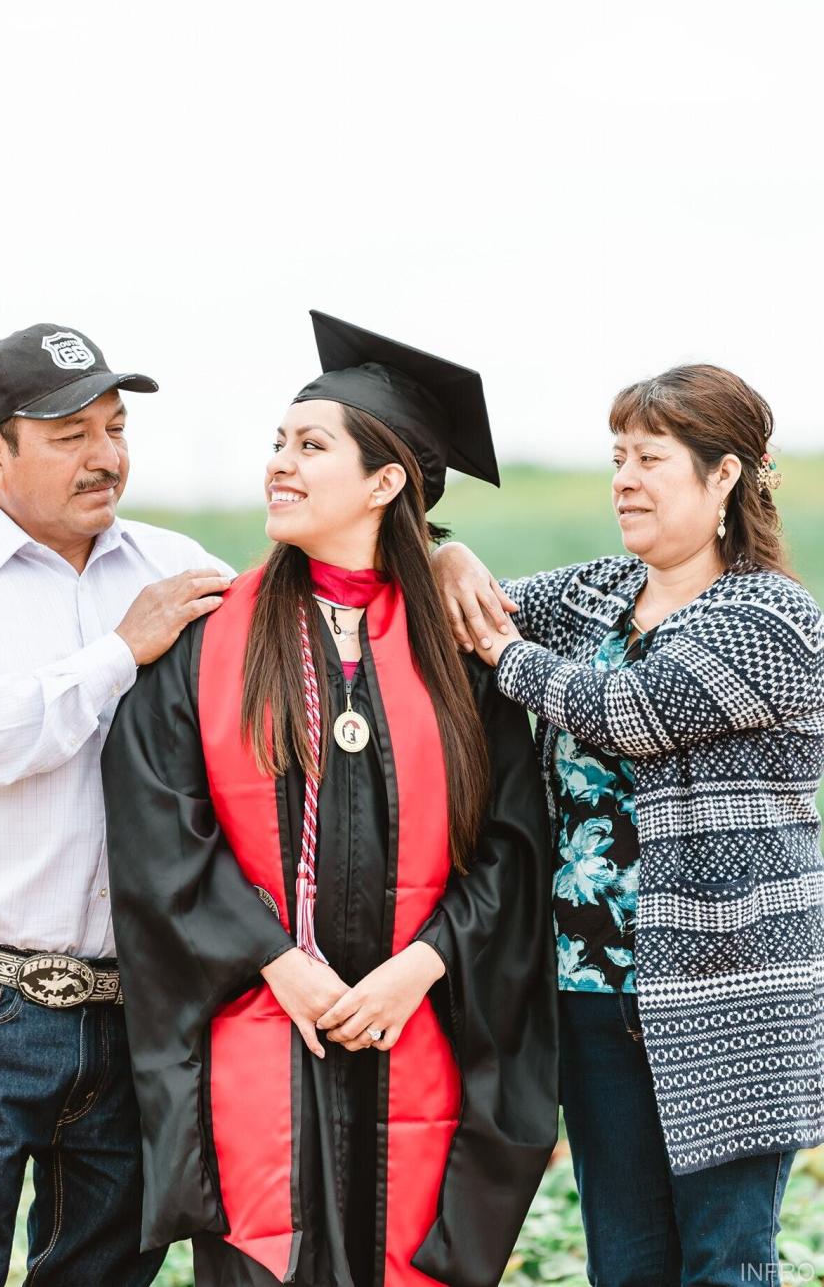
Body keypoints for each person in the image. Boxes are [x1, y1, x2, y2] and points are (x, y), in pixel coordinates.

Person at [101, 311, 558, 1287]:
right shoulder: (209, 640)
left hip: (419, 1026)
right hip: (263, 1028)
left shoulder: (458, 652)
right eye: (277, 443)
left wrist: (424, 963)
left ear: (386, 481)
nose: (280, 463)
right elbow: (155, 828)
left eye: (311, 445)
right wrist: (276, 959)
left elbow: (514, 845)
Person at [431, 364, 824, 1287]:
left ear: (724, 475)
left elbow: (626, 710)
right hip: (592, 987)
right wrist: (448, 552)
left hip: (732, 990)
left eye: (651, 458)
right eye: (617, 459)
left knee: (725, 1260)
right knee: (627, 1263)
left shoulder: (771, 618)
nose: (624, 480)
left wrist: (503, 650)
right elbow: (471, 600)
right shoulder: (603, 592)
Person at [0, 323, 234, 1287]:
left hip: (135, 1007)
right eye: (71, 435)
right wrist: (122, 652)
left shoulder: (175, 563)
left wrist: (437, 555)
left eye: (115, 428)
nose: (106, 457)